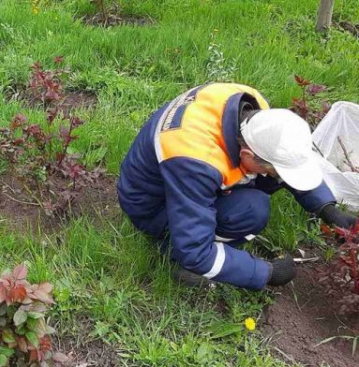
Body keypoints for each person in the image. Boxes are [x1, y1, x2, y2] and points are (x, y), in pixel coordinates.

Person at [117, 83, 357, 291]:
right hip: (151, 205)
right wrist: (266, 273)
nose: (274, 176)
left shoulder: (251, 106)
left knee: (262, 184)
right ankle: (170, 251)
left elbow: (284, 155)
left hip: (175, 176)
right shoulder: (195, 161)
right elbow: (195, 252)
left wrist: (328, 209)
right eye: (271, 169)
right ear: (246, 154)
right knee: (252, 210)